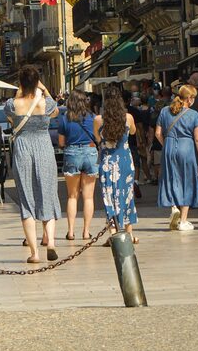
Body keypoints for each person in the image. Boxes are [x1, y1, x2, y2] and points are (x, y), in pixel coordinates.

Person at [4, 66, 62, 263]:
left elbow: (11, 118)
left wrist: (20, 90)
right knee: (48, 193)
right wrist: (42, 88)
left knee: (27, 198)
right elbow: (55, 112)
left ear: (20, 82)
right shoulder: (46, 103)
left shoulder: (13, 104)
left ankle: (34, 253)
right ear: (37, 81)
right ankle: (51, 242)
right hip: (44, 147)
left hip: (23, 148)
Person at [156, 83, 198, 230]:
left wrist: (166, 144)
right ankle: (183, 220)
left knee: (171, 178)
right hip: (187, 148)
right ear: (189, 98)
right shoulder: (194, 115)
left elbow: (158, 133)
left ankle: (173, 207)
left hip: (169, 146)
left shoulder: (165, 111)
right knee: (187, 181)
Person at [55, 90, 101, 242]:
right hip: (90, 151)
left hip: (72, 153)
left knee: (72, 196)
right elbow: (98, 138)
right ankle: (86, 232)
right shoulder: (93, 118)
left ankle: (70, 232)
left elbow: (61, 143)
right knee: (88, 197)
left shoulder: (65, 119)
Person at [97, 90, 138, 244]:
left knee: (109, 197)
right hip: (125, 161)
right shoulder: (128, 118)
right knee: (127, 196)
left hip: (108, 162)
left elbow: (97, 138)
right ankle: (129, 233)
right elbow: (133, 132)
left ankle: (114, 233)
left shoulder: (99, 120)